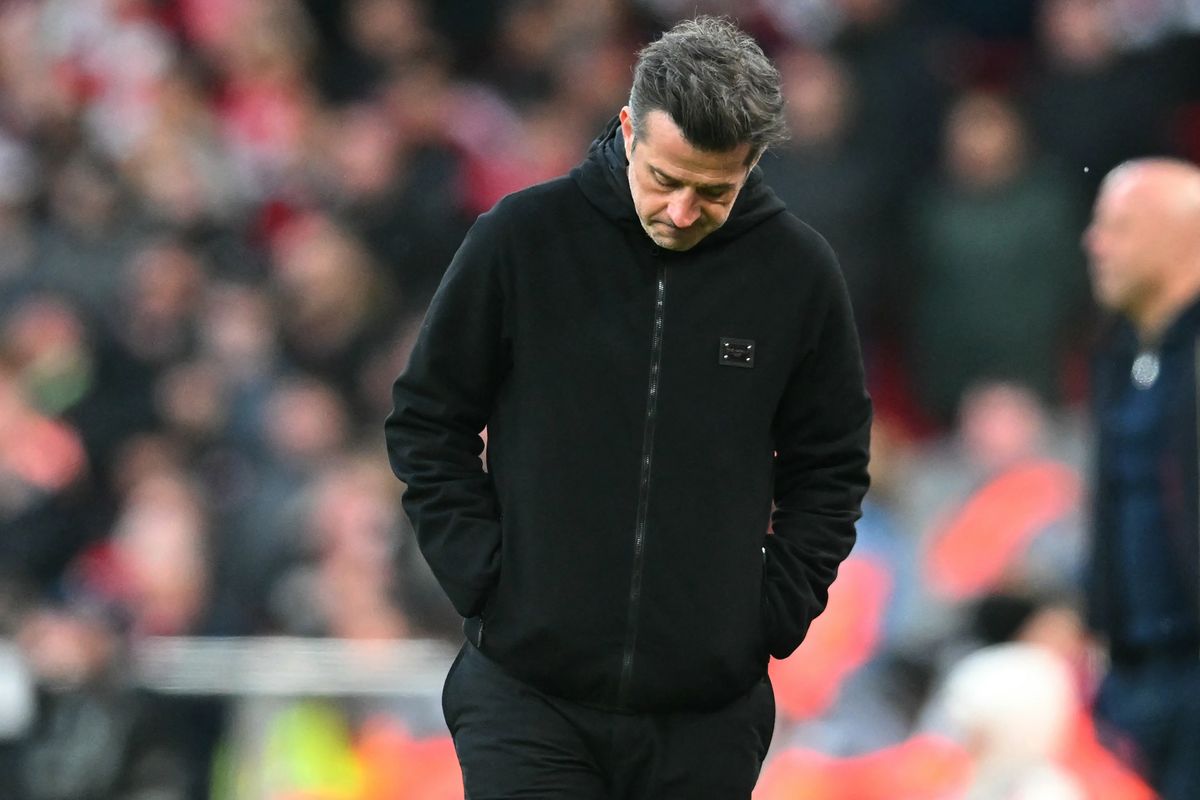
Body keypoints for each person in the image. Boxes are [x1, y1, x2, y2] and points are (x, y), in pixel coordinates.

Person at [384, 16, 872, 798]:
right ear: (627, 129)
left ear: (752, 163)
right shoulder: (522, 239)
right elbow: (426, 419)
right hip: (527, 699)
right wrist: (486, 579)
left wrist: (772, 611)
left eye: (714, 191)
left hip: (706, 718)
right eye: (665, 180)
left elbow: (833, 465)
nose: (683, 211)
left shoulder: (798, 274)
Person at [1082, 157, 1200, 799]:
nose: (1093, 243)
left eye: (1117, 227)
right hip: (1132, 674)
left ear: (1181, 238)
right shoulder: (1121, 356)